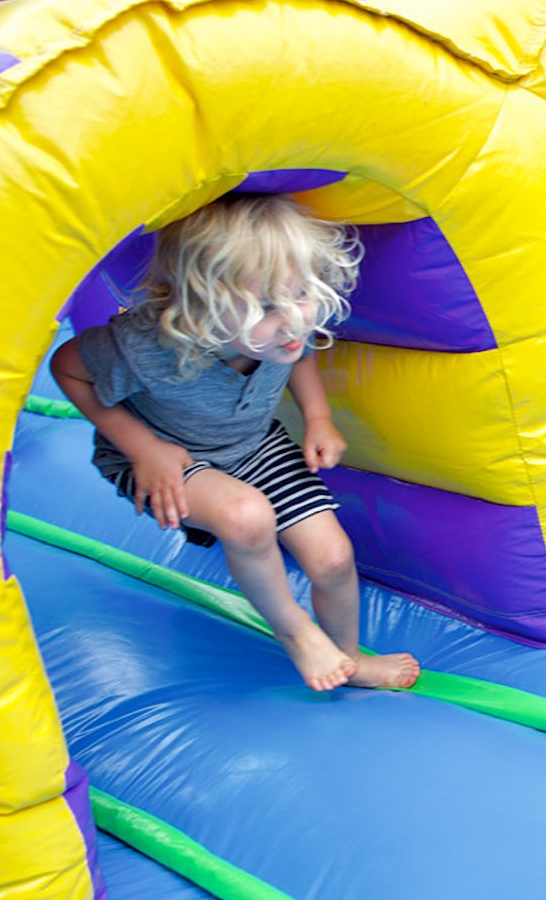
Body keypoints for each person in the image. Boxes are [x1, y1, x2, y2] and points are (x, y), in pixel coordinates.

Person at [51, 196, 421, 694]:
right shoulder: (143, 344)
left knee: (333, 558)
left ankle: (349, 657)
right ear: (199, 306)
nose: (293, 320)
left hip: (251, 444)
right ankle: (296, 634)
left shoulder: (285, 329)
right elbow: (67, 367)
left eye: (303, 295)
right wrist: (142, 449)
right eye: (267, 307)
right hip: (167, 452)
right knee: (247, 519)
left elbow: (300, 352)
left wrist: (317, 418)